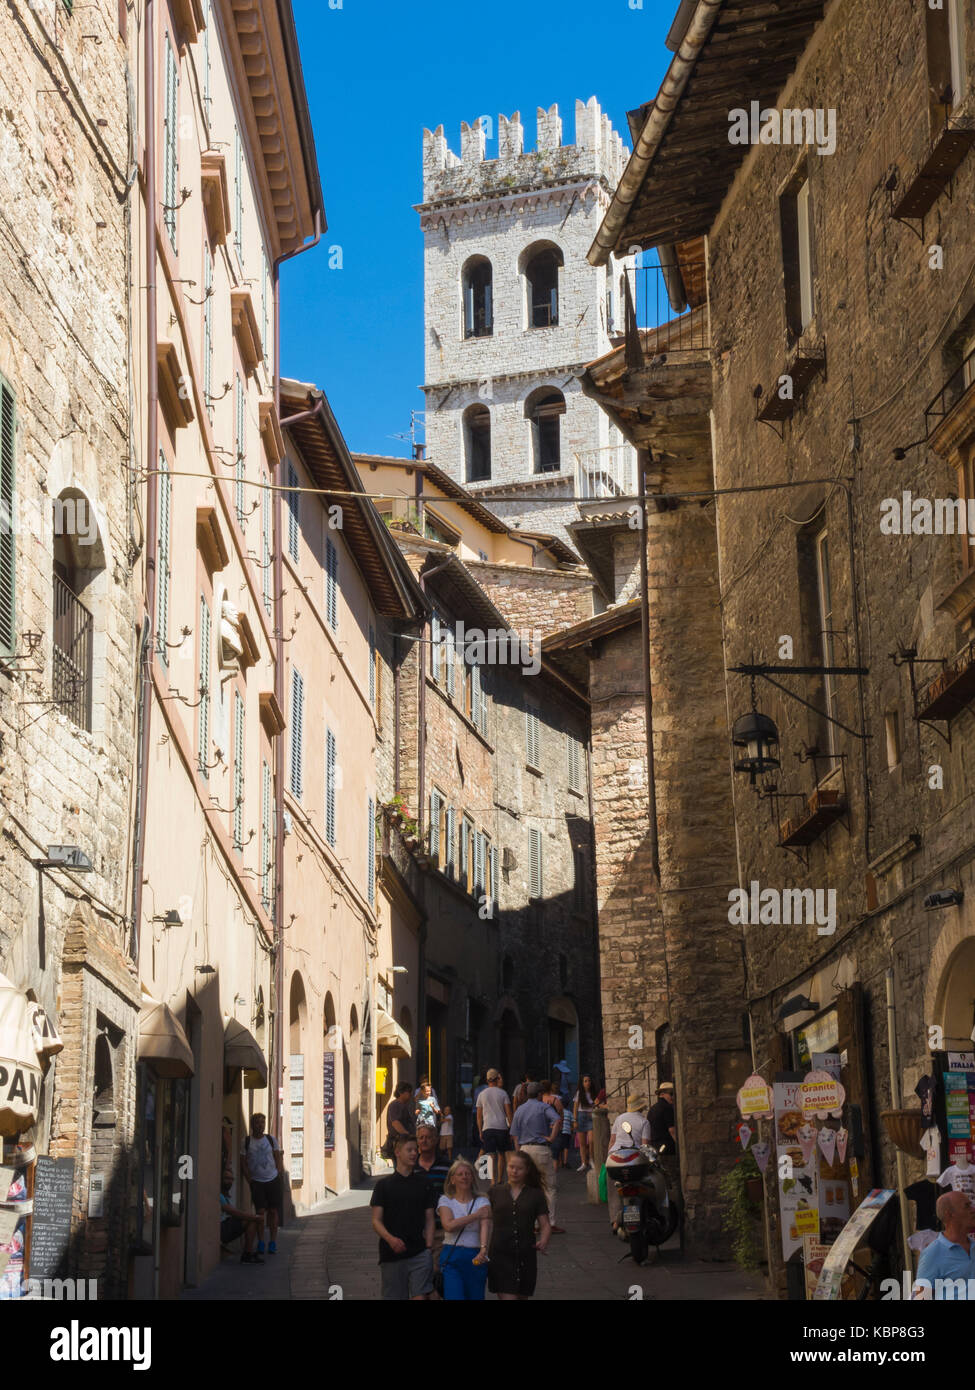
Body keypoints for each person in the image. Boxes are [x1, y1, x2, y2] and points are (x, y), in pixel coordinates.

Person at [370, 1134, 437, 1300]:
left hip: (419, 1252)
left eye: (416, 1150)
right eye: (409, 1150)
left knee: (420, 1297)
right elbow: (376, 1220)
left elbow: (429, 1218)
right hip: (391, 1254)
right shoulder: (383, 1186)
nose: (414, 1153)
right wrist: (390, 1239)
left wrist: (428, 1247)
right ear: (398, 1152)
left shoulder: (424, 1183)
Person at [487, 1150, 552, 1300]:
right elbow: (484, 1220)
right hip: (500, 1254)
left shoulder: (536, 1194)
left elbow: (545, 1224)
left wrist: (544, 1240)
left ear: (527, 1170)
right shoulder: (495, 1192)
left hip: (525, 1255)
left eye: (519, 1168)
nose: (514, 1171)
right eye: (511, 1167)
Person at [509, 1081, 564, 1233]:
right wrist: (552, 1137)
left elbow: (514, 1134)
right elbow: (557, 1120)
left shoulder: (520, 1109)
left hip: (525, 1149)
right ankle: (550, 1222)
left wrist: (518, 1153)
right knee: (549, 1187)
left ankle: (532, 1224)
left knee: (527, 1187)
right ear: (539, 1094)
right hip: (541, 1148)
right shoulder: (543, 1106)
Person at [437, 1159, 491, 1300]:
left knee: (476, 1296)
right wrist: (476, 1215)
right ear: (452, 1179)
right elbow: (449, 1226)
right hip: (452, 1255)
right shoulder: (445, 1200)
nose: (464, 1177)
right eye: (460, 1174)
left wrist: (483, 1250)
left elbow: (485, 1226)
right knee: (454, 1296)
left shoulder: (482, 1201)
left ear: (472, 1178)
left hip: (475, 1255)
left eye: (467, 1173)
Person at [914, 1191, 975, 1297]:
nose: (973, 1210)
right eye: (967, 1206)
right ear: (949, 1214)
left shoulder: (973, 1246)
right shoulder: (932, 1254)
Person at [242, 1113, 284, 1255]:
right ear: (252, 1124)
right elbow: (242, 1162)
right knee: (260, 1213)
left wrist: (278, 1172)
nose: (261, 1125)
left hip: (272, 1180)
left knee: (273, 1211)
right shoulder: (247, 1142)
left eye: (263, 1122)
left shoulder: (271, 1139)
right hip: (257, 1182)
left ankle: (272, 1242)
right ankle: (260, 1241)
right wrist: (250, 1180)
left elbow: (278, 1157)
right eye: (258, 1122)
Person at [476, 1069, 513, 1184]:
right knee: (501, 1154)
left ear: (487, 1080)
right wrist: (511, 1128)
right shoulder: (503, 1093)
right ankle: (500, 1179)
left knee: (491, 1155)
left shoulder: (482, 1094)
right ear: (497, 1079)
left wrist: (480, 1131)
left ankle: (492, 1181)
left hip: (488, 1127)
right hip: (501, 1127)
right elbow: (509, 1113)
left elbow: (479, 1116)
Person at [219, 1177, 263, 1263]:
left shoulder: (226, 1196)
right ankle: (247, 1254)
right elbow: (232, 1212)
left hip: (225, 1226)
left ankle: (247, 1253)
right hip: (221, 1228)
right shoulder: (219, 1196)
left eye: (231, 1179)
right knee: (250, 1220)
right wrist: (255, 1217)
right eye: (227, 1178)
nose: (230, 1181)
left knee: (250, 1219)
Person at [415, 1124, 451, 1209]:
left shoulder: (448, 1166)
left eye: (428, 1137)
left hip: (444, 1217)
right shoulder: (411, 1166)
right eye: (421, 1137)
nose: (424, 1140)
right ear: (417, 1141)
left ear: (436, 1140)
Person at [384, 1080, 416, 1157]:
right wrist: (407, 1134)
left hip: (404, 1141)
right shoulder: (395, 1105)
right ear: (401, 1093)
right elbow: (395, 1123)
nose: (410, 1094)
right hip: (399, 1142)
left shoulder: (403, 1105)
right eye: (408, 1092)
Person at [573, 1075, 597, 1172]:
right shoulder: (579, 1093)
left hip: (591, 1117)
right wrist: (574, 1120)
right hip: (581, 1116)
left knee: (591, 1141)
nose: (587, 1083)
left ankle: (591, 1159)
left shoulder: (593, 1093)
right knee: (582, 1143)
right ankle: (584, 1162)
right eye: (585, 1081)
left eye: (589, 1080)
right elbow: (575, 1107)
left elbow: (596, 1105)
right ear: (582, 1083)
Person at [648, 1081, 678, 1156]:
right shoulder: (667, 1108)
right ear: (662, 1094)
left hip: (656, 1145)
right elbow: (672, 1130)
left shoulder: (653, 1108)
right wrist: (679, 1145)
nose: (673, 1097)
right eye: (671, 1094)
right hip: (667, 1146)